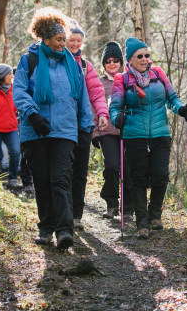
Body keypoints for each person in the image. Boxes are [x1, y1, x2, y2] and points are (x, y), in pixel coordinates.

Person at [13, 7, 94, 250]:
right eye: (59, 39)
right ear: (45, 38)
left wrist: (85, 125)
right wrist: (33, 114)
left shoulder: (72, 64)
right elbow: (19, 90)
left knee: (61, 179)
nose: (63, 44)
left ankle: (64, 230)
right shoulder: (30, 60)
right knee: (43, 180)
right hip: (35, 131)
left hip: (65, 131)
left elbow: (81, 97)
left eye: (64, 39)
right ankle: (46, 227)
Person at [109, 37, 187, 239]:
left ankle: (155, 214)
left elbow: (172, 99)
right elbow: (114, 107)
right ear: (130, 59)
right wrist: (117, 119)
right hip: (134, 134)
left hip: (160, 133)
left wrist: (182, 109)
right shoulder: (122, 79)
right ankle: (142, 222)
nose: (145, 59)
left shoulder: (159, 74)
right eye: (140, 56)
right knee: (137, 179)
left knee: (161, 175)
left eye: (147, 55)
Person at [66, 21, 109, 230]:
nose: (74, 43)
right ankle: (63, 213)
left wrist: (101, 113)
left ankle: (76, 216)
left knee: (80, 171)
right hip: (62, 125)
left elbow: (97, 93)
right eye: (71, 40)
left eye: (78, 40)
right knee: (63, 170)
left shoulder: (85, 66)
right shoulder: (56, 63)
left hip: (84, 124)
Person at [92, 42, 134, 220]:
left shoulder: (129, 80)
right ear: (104, 64)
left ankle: (128, 208)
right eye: (108, 61)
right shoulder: (99, 83)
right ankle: (111, 203)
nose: (112, 64)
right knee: (111, 166)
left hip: (128, 131)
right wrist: (94, 133)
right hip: (106, 130)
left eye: (115, 60)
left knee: (128, 169)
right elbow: (94, 107)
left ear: (121, 62)